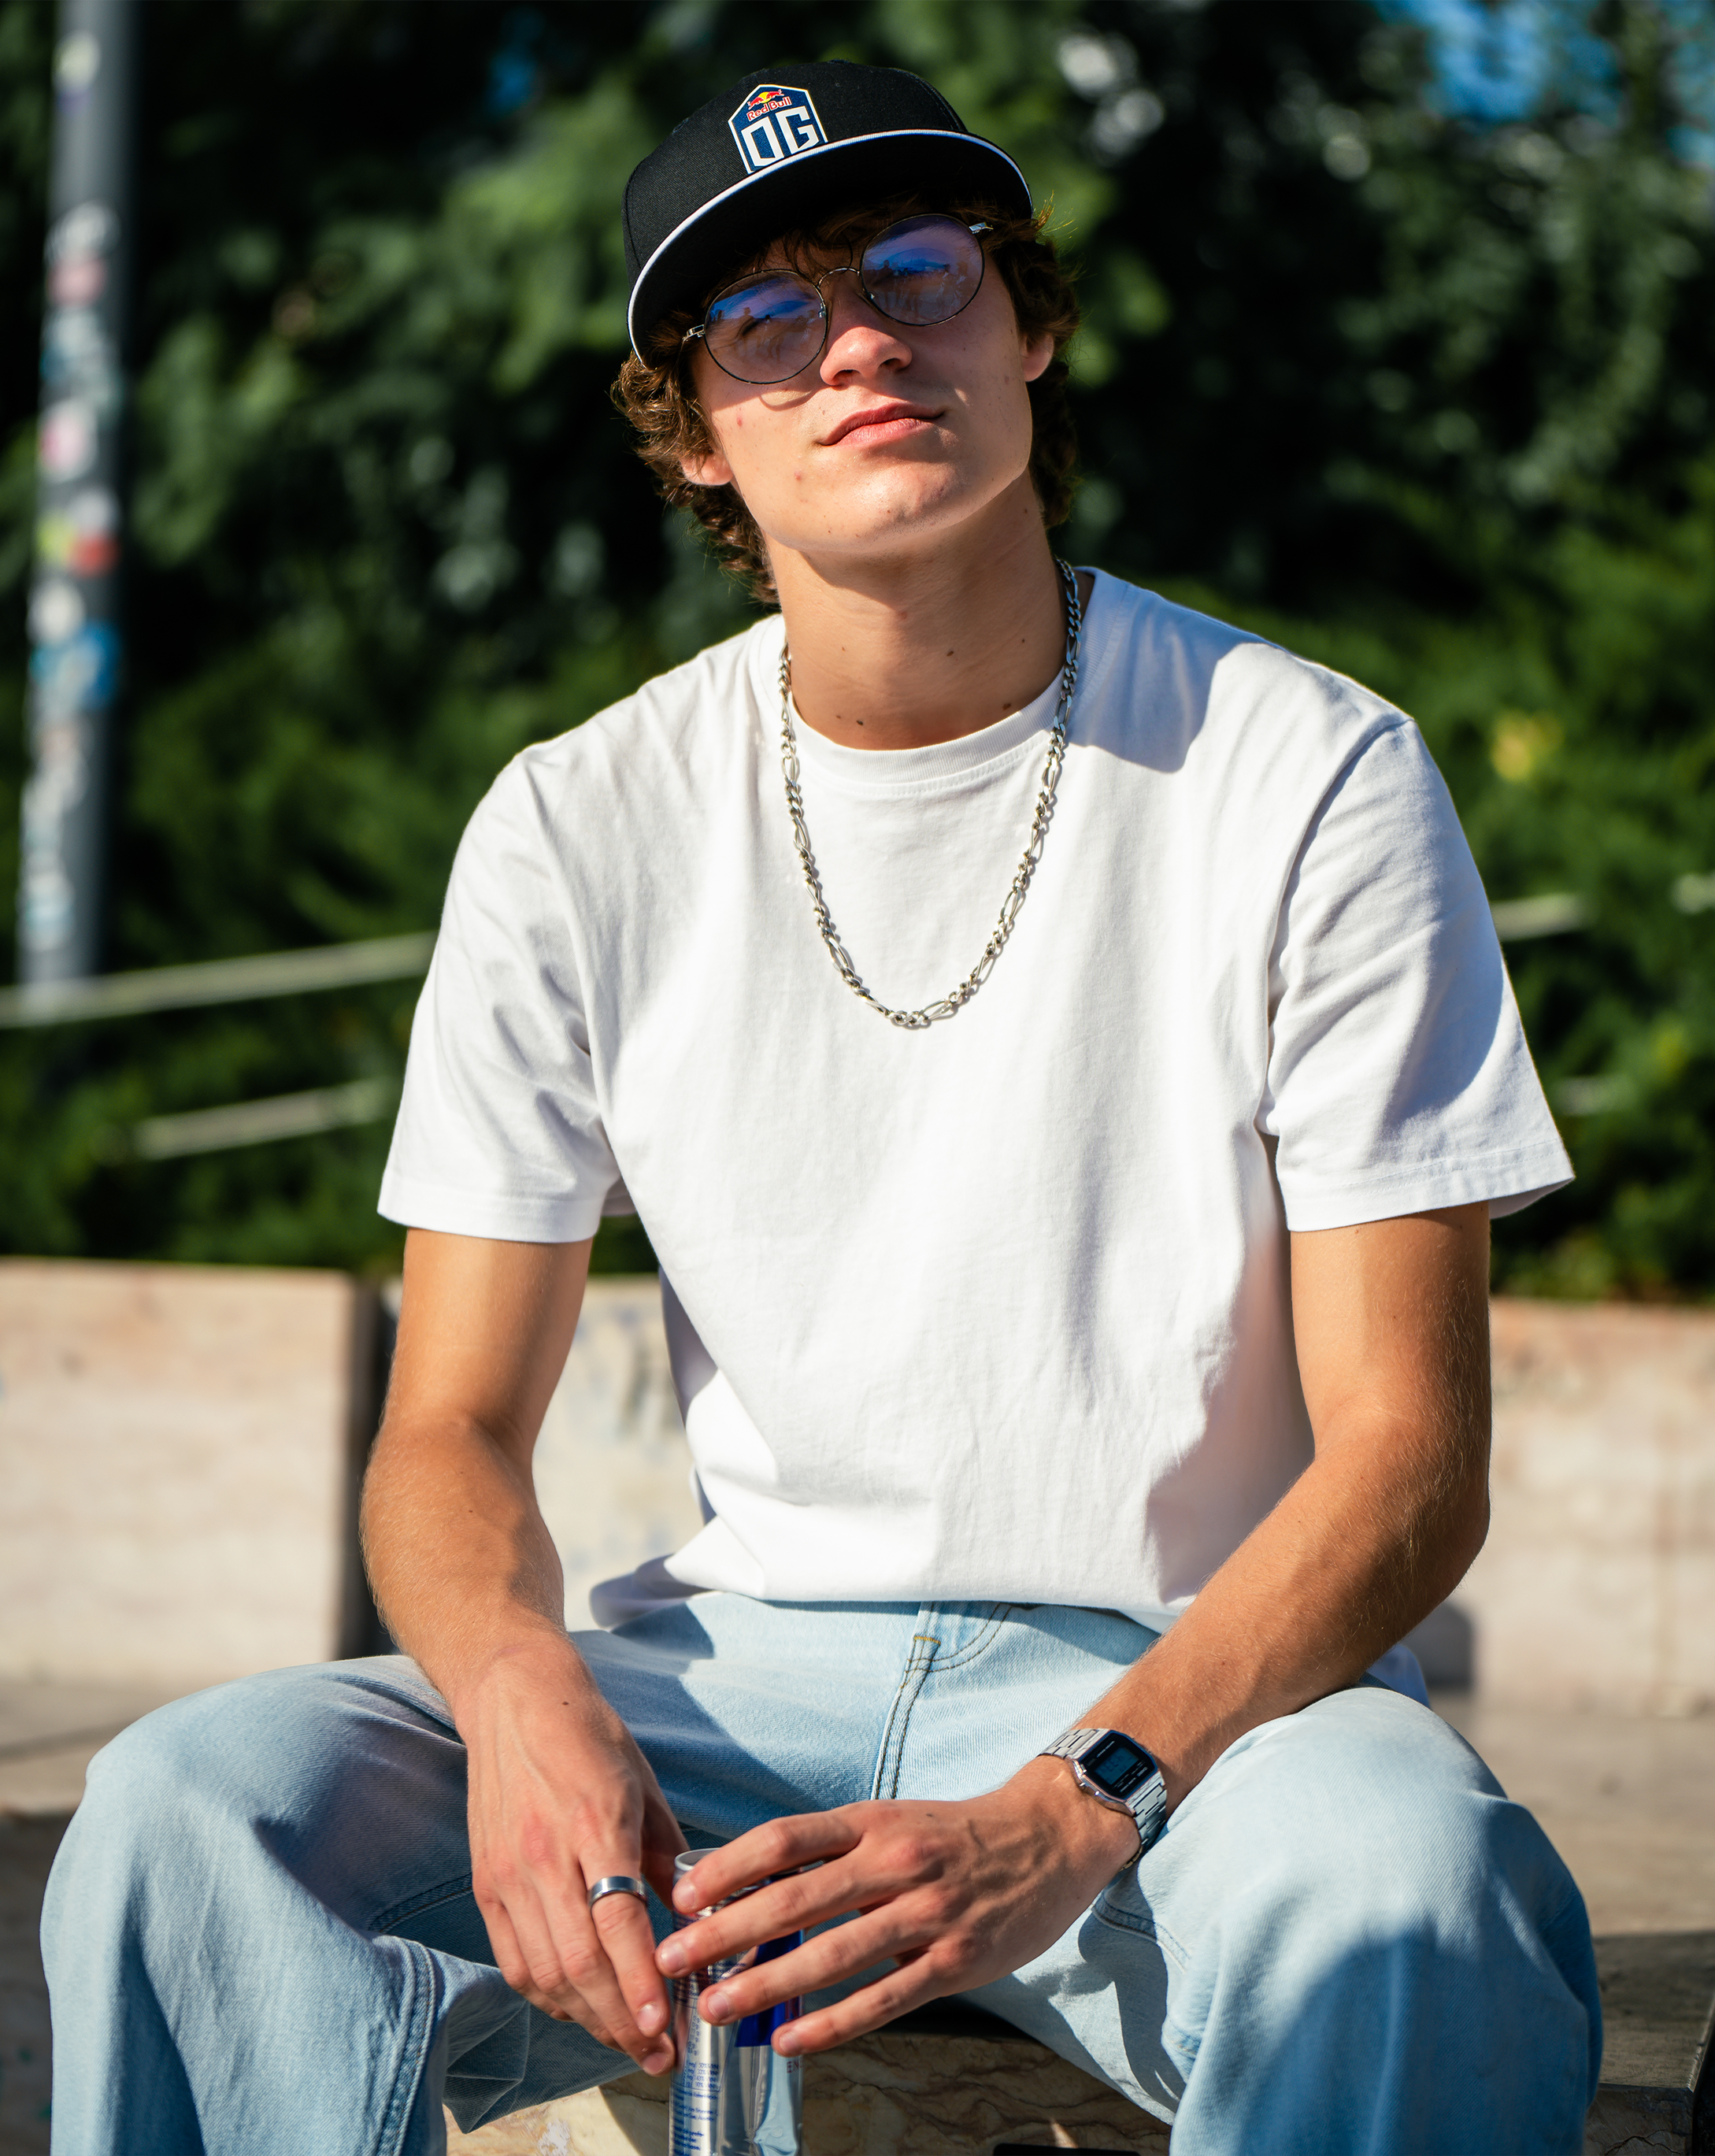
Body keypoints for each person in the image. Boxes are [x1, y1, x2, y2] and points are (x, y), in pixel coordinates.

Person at [44, 61, 1602, 2156]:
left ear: (1028, 326)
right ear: (696, 430)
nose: (861, 339)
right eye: (767, 323)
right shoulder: (577, 825)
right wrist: (518, 1701)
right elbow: (447, 1431)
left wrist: (1084, 1797)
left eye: (914, 274)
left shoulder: (1307, 776)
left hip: (1195, 1705)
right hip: (726, 1689)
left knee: (1419, 1899)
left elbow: (1412, 1460)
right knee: (191, 1811)